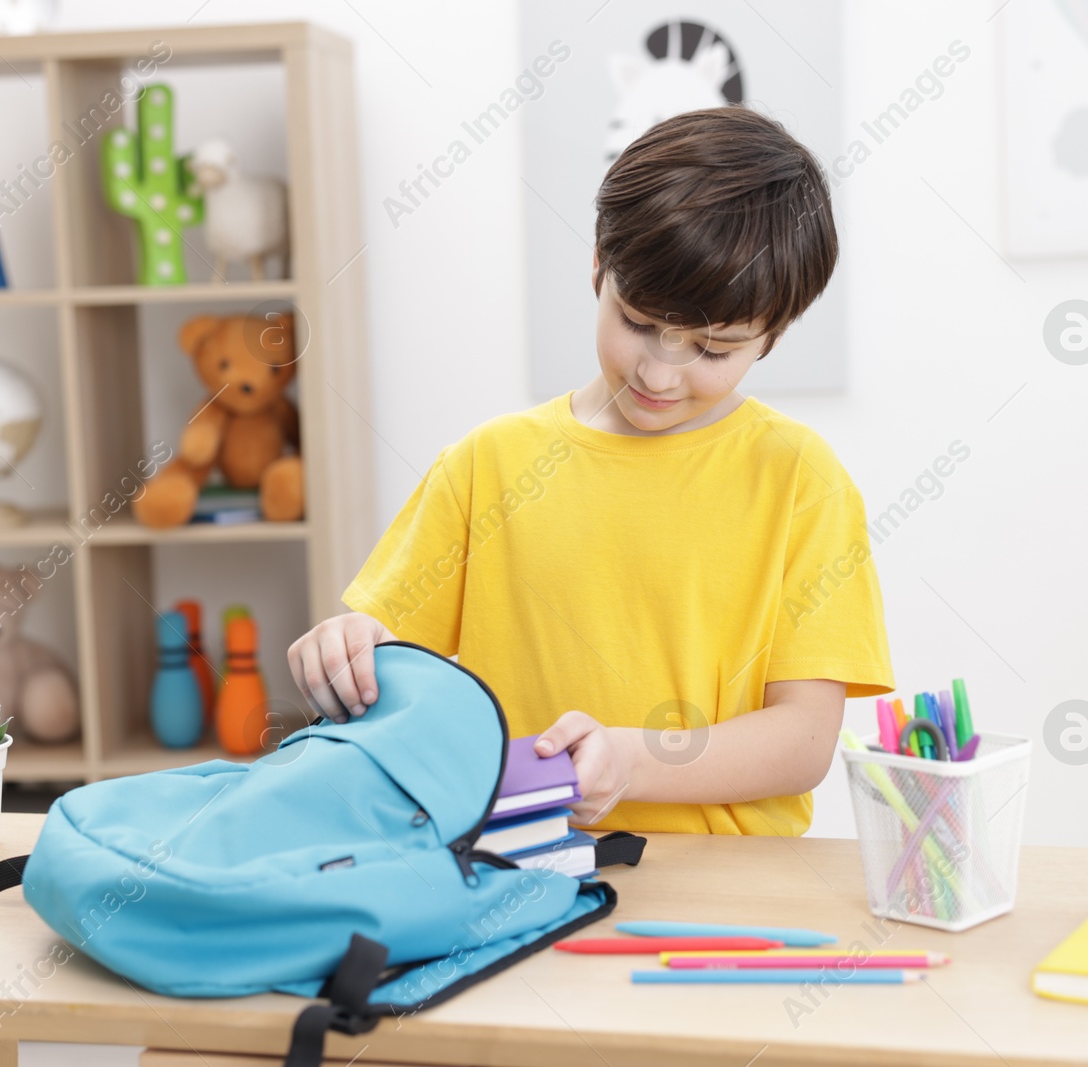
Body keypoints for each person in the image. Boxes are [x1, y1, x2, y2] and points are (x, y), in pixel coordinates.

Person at [287, 106, 894, 836]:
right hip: (519, 872)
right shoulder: (487, 464)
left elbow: (803, 742)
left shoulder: (801, 480)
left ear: (774, 332)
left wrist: (628, 760)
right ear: (600, 265)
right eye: (639, 322)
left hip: (730, 887)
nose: (661, 372)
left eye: (713, 348)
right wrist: (343, 653)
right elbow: (385, 650)